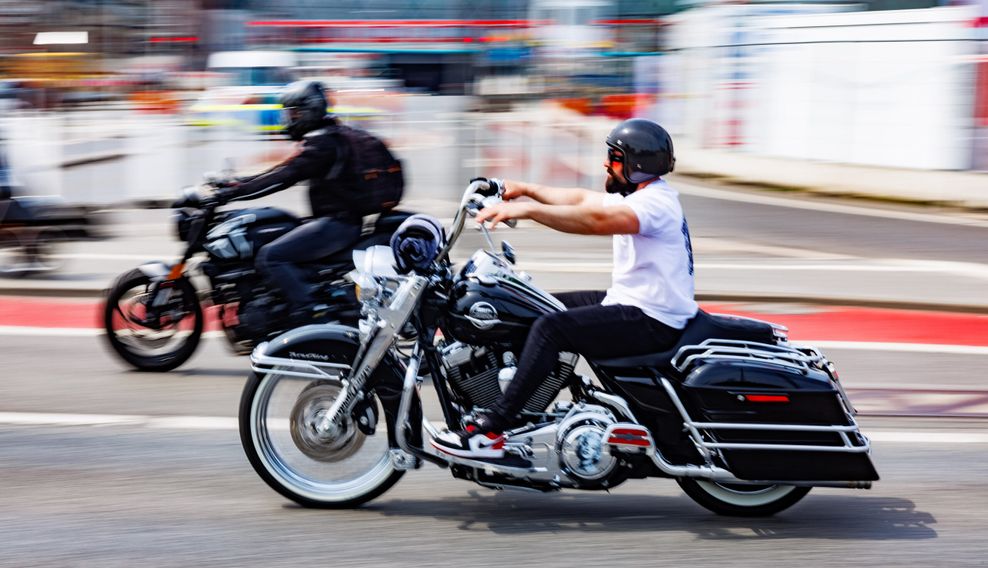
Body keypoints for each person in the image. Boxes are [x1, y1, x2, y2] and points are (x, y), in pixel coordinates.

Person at [431, 118, 699, 463]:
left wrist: (528, 210)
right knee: (539, 306)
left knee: (551, 328)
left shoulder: (653, 205)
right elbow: (579, 198)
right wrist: (520, 188)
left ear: (637, 165)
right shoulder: (643, 196)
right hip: (635, 302)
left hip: (652, 318)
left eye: (614, 157)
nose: (606, 163)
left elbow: (595, 221)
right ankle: (525, 405)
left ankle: (494, 428)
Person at [215, 80, 399, 324]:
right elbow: (282, 171)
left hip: (337, 225)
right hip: (334, 221)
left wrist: (233, 192)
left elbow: (283, 177)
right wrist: (236, 184)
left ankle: (310, 311)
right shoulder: (328, 136)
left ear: (309, 111)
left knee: (270, 256)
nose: (288, 120)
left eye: (293, 113)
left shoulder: (323, 143)